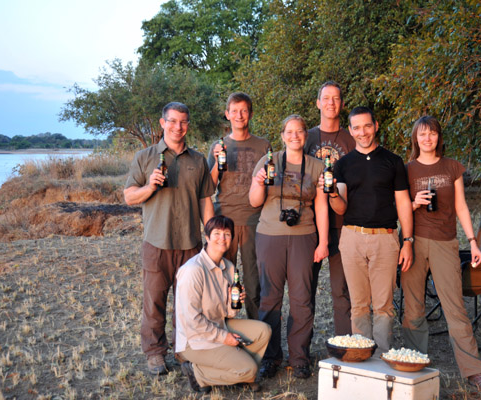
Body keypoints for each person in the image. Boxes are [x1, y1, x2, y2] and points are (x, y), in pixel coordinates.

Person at [400, 116, 481, 393]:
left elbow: (461, 207)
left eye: (431, 133)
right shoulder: (407, 169)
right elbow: (398, 207)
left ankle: (475, 371)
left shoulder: (452, 166)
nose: (427, 138)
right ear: (415, 138)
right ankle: (413, 364)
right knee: (413, 307)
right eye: (422, 134)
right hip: (415, 241)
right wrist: (413, 202)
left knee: (455, 308)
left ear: (438, 137)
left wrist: (473, 241)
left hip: (446, 242)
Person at [124, 102, 215, 375]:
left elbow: (205, 202)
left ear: (188, 125)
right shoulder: (145, 157)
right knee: (154, 303)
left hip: (190, 244)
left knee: (188, 304)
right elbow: (129, 197)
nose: (178, 127)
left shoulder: (198, 160)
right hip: (156, 243)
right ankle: (155, 354)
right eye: (173, 121)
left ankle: (184, 352)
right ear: (162, 123)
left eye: (184, 122)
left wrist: (210, 238)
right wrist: (150, 186)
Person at [249, 114, 329, 379]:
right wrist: (258, 182)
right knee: (270, 298)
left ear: (306, 135)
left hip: (304, 236)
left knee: (302, 299)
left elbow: (321, 205)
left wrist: (323, 241)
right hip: (269, 235)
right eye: (289, 132)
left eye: (300, 131)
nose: (295, 136)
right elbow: (253, 201)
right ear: (282, 135)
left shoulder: (317, 166)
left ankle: (299, 357)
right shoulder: (268, 161)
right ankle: (270, 357)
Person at [329, 106, 413, 356]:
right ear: (350, 130)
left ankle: (381, 357)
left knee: (384, 305)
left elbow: (403, 204)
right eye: (356, 127)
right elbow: (340, 206)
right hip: (352, 237)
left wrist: (407, 240)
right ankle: (362, 356)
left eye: (367, 126)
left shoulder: (393, 161)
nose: (362, 132)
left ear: (376, 126)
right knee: (358, 305)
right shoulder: (343, 164)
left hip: (385, 239)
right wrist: (332, 193)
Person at [175, 215, 272, 393]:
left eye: (227, 234)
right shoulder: (193, 270)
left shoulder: (228, 267)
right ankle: (198, 373)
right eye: (217, 233)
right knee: (250, 369)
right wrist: (224, 338)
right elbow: (192, 321)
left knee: (263, 331)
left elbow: (228, 315)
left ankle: (239, 371)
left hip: (218, 326)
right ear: (207, 237)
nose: (222, 238)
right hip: (195, 340)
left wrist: (233, 303)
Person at [208, 92, 271, 320]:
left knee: (255, 283)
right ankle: (223, 330)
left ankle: (258, 333)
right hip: (225, 221)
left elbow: (271, 185)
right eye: (234, 111)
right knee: (223, 280)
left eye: (244, 110)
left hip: (255, 220)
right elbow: (209, 186)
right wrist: (216, 161)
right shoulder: (219, 145)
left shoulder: (263, 145)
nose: (239, 115)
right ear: (227, 115)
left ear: (251, 114)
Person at [305, 81, 355, 336]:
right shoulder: (307, 137)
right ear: (318, 103)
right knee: (305, 291)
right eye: (326, 98)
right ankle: (300, 350)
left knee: (341, 290)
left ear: (342, 104)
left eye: (336, 98)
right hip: (309, 225)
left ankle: (345, 346)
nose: (331, 103)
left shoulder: (351, 138)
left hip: (343, 224)